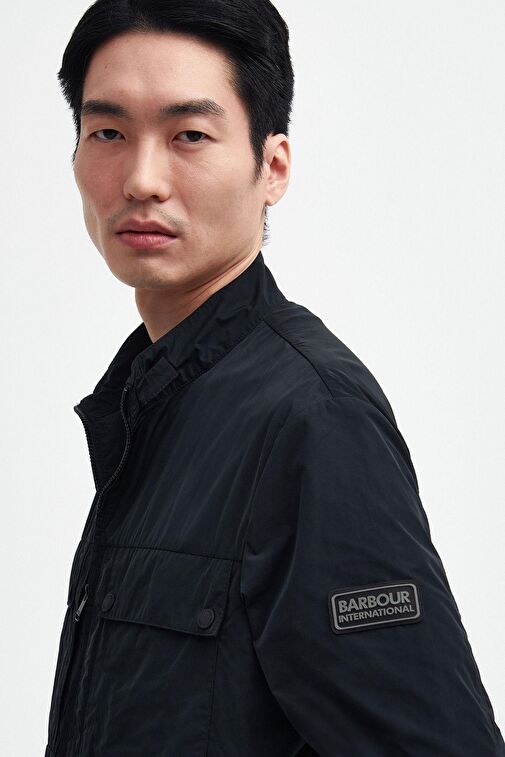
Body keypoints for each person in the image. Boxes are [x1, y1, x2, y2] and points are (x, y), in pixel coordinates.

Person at [45, 1, 505, 755]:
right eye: (109, 134)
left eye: (190, 135)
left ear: (273, 167)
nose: (142, 179)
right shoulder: (155, 399)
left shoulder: (313, 420)